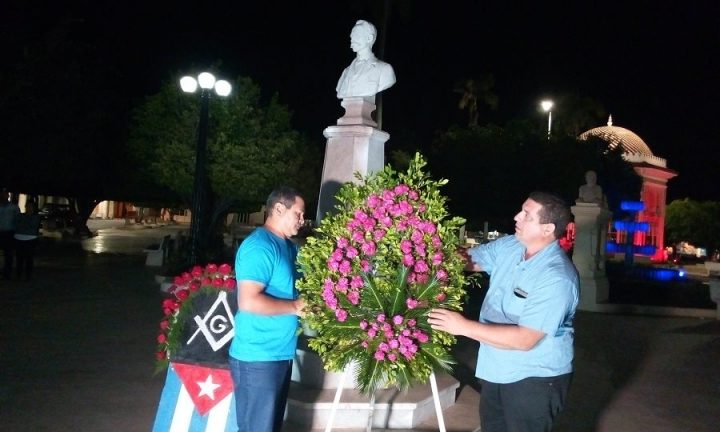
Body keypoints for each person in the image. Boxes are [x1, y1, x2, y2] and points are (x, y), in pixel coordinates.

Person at [428, 191, 579, 432]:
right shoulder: (511, 246)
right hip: (496, 368)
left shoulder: (556, 276)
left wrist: (461, 326)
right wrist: (428, 246)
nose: (517, 217)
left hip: (534, 378)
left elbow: (525, 339)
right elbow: (467, 259)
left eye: (527, 215)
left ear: (547, 228)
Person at [228, 186, 306, 432]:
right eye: (299, 214)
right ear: (279, 209)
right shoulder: (260, 247)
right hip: (258, 357)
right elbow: (249, 301)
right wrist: (295, 307)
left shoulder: (288, 247)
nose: (303, 221)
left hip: (279, 354)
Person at [336, 20, 396, 100]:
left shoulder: (385, 69)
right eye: (351, 36)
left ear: (369, 38)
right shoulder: (346, 71)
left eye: (357, 36)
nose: (352, 39)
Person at [14, 201, 42, 281]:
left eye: (31, 206)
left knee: (29, 259)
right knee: (19, 259)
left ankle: (28, 275)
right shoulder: (20, 216)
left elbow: (31, 226)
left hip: (30, 238)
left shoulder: (35, 217)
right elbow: (18, 224)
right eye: (28, 206)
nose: (29, 208)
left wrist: (23, 225)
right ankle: (19, 275)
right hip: (20, 237)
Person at [0, 190, 20, 280]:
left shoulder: (13, 207)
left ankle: (7, 272)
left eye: (5, 195)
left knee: (8, 253)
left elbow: (18, 220)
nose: (3, 196)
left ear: (8, 196)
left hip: (9, 232)